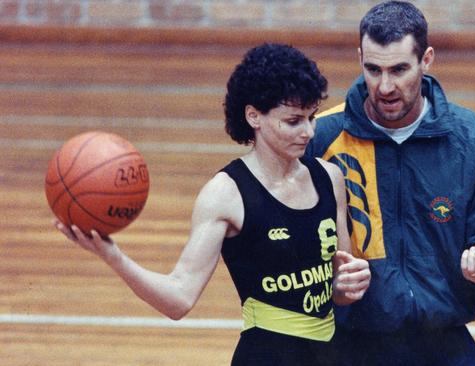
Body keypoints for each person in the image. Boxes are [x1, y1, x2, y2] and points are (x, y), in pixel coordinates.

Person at [53, 43, 371, 366]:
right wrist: (114, 257)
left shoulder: (330, 178)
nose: (308, 132)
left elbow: (338, 287)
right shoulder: (225, 194)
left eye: (311, 118)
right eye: (293, 121)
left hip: (331, 355)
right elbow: (179, 298)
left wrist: (350, 283)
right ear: (253, 116)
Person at [306, 1, 475, 365]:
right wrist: (328, 284)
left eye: (399, 69)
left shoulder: (469, 136)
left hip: (444, 344)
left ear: (427, 60)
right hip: (348, 345)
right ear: (360, 57)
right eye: (373, 69)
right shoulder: (323, 137)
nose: (385, 86)